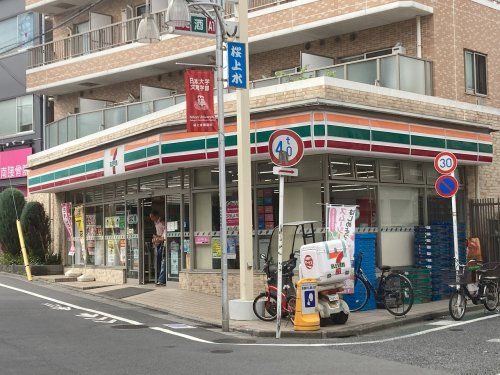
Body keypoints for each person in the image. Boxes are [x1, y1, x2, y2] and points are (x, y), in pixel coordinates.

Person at [149, 210, 166, 286]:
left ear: (156, 216)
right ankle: (159, 278)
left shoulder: (162, 222)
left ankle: (161, 279)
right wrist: (157, 237)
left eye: (152, 217)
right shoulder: (155, 223)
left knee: (162, 261)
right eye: (150, 217)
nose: (151, 219)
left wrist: (158, 238)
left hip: (163, 243)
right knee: (159, 261)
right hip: (159, 242)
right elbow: (160, 234)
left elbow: (164, 236)